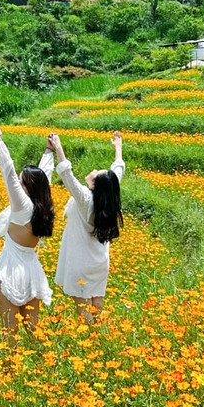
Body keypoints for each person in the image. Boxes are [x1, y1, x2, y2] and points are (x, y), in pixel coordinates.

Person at [47, 130, 125, 324]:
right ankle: (99, 334)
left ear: (95, 185)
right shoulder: (108, 199)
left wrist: (58, 147)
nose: (95, 171)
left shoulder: (86, 200)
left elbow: (67, 175)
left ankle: (89, 338)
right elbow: (117, 170)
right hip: (99, 261)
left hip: (80, 262)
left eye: (97, 173)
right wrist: (118, 148)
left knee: (82, 305)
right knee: (96, 299)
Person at [0, 126, 55, 334]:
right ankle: (42, 365)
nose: (17, 183)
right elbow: (45, 176)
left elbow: (8, 172)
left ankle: (10, 367)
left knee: (10, 333)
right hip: (32, 271)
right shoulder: (41, 205)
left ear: (26, 187)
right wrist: (49, 151)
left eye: (21, 182)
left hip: (10, 271)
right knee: (34, 332)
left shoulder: (23, 207)